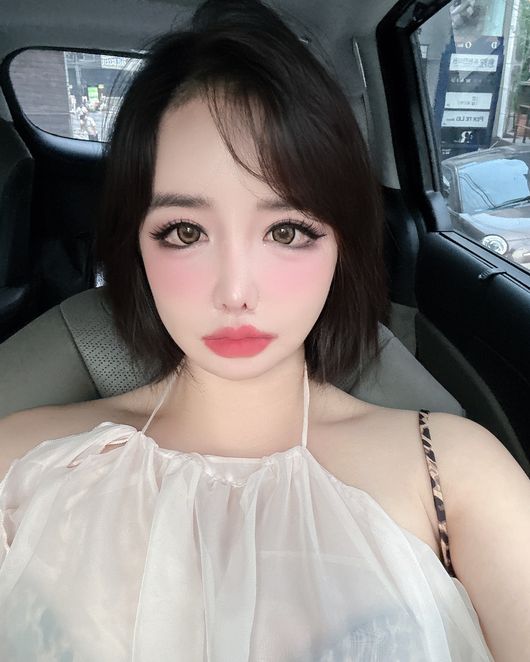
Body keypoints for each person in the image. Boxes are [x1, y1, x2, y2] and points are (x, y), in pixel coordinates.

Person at [0, 1, 528, 660]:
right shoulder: (20, 461)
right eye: (184, 232)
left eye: (286, 231)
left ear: (342, 243)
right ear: (135, 245)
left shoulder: (453, 472)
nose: (235, 291)